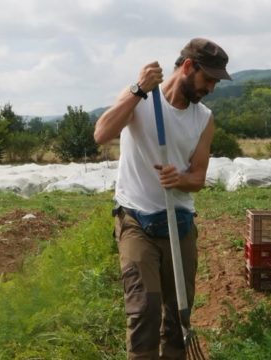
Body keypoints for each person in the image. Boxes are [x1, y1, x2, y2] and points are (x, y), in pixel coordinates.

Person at [94, 38, 231, 359]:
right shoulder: (139, 99)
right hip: (136, 220)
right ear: (187, 67)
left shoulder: (203, 119)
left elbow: (197, 177)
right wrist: (138, 89)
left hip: (179, 223)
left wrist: (179, 179)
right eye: (208, 79)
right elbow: (101, 134)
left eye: (215, 81)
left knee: (178, 314)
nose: (211, 87)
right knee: (144, 310)